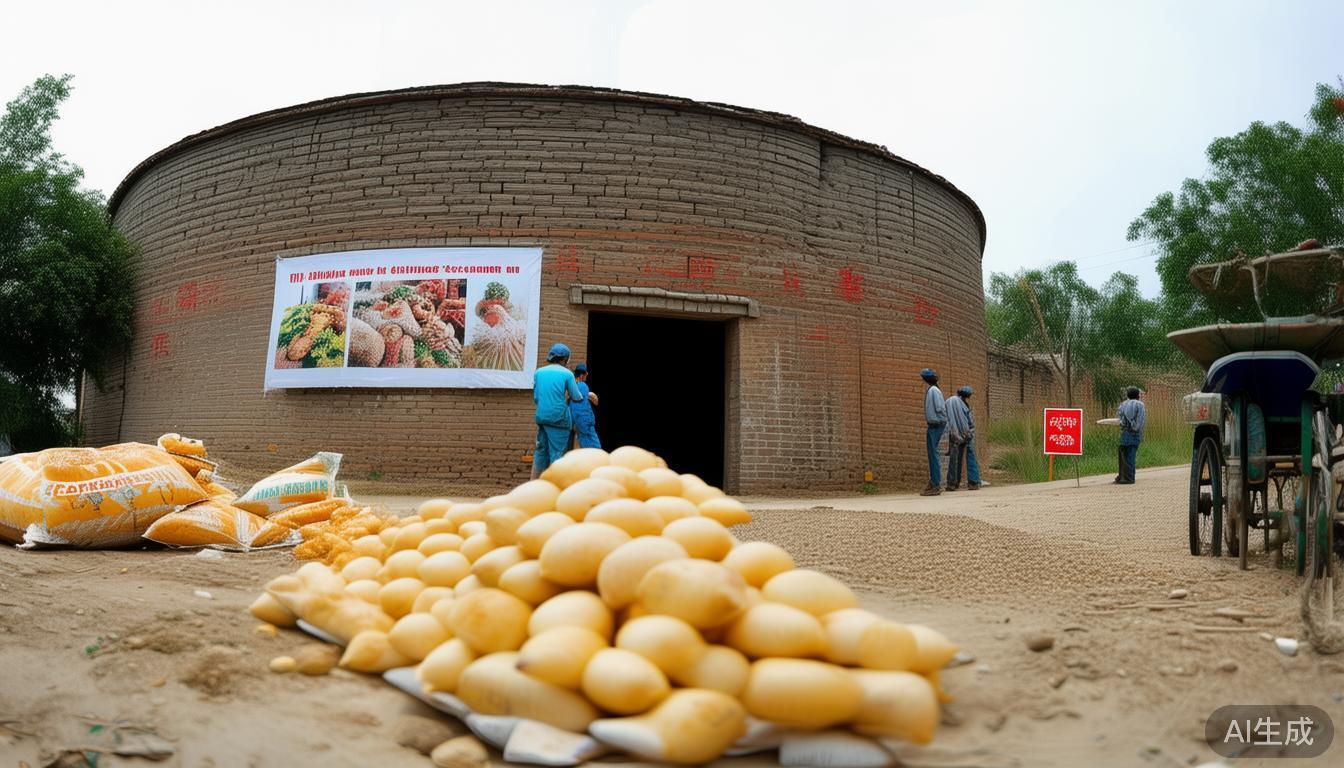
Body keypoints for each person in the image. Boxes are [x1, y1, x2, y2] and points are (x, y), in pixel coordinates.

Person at [532, 343, 583, 479]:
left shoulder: (539, 372)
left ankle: (535, 483)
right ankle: (554, 485)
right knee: (557, 453)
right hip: (559, 418)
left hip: (542, 416)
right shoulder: (567, 374)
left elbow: (536, 397)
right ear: (565, 359)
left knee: (541, 450)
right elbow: (576, 397)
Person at [945, 385, 983, 491]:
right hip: (966, 433)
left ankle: (952, 483)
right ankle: (974, 482)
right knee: (970, 456)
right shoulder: (964, 405)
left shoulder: (949, 401)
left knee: (954, 459)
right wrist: (969, 433)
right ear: (967, 396)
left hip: (953, 433)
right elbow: (969, 422)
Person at [920, 368, 947, 496]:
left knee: (933, 453)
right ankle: (934, 481)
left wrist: (941, 419)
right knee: (932, 453)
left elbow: (940, 408)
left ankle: (936, 483)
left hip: (936, 424)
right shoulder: (934, 390)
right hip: (935, 424)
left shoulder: (934, 391)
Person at [1116, 386, 1146, 484]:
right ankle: (1130, 477)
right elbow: (1140, 421)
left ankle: (1122, 476)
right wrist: (1136, 429)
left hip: (1124, 433)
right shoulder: (1140, 405)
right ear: (1138, 395)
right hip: (1134, 434)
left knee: (1123, 454)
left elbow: (1120, 419)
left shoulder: (1122, 404)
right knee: (1131, 455)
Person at [570, 363, 602, 449]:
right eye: (585, 375)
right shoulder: (583, 385)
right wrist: (589, 422)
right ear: (581, 375)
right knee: (596, 447)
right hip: (585, 423)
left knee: (582, 446)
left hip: (576, 423)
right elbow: (582, 408)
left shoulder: (572, 387)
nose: (586, 377)